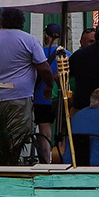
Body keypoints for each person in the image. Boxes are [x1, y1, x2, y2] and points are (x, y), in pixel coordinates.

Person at [0, 9, 51, 165]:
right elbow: (44, 67)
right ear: (22, 22)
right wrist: (49, 85)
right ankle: (13, 165)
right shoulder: (29, 40)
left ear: (2, 21)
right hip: (19, 96)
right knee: (18, 137)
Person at [33, 23, 64, 154]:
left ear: (46, 35)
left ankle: (46, 159)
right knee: (62, 130)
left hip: (41, 98)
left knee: (44, 131)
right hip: (60, 98)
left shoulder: (38, 53)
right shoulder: (66, 54)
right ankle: (60, 156)